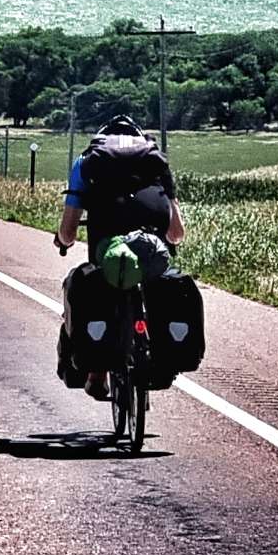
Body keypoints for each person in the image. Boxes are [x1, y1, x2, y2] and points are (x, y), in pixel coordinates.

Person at [54, 117, 186, 398]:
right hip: (151, 243)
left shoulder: (85, 162)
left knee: (96, 283)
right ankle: (159, 356)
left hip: (106, 241)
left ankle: (97, 374)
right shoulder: (157, 161)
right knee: (157, 281)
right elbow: (177, 234)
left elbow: (68, 233)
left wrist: (63, 241)